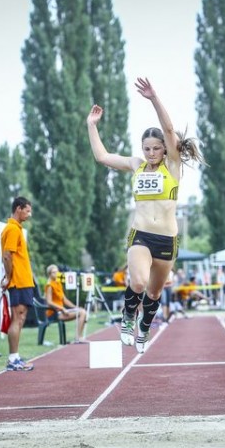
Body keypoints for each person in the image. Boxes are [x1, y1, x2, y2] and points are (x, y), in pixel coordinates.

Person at [86, 77, 204, 354]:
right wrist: (91, 126)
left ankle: (145, 327)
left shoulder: (172, 167)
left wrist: (153, 98)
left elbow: (169, 128)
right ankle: (128, 318)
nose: (151, 153)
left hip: (167, 240)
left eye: (156, 148)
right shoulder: (137, 166)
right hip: (140, 235)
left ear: (165, 148)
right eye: (147, 148)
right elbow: (102, 157)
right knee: (137, 282)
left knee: (153, 293)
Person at [1, 196, 36, 371]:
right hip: (18, 281)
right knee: (17, 318)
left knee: (20, 319)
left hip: (23, 281)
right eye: (27, 210)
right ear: (18, 209)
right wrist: (8, 278)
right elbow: (7, 255)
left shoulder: (16, 229)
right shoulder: (13, 229)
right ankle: (13, 360)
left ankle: (15, 357)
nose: (29, 214)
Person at [45, 265, 87, 343]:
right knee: (82, 313)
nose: (57, 273)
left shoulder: (58, 283)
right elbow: (49, 302)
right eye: (54, 272)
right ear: (49, 274)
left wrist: (76, 307)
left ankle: (79, 337)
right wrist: (62, 308)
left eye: (57, 271)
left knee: (82, 311)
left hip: (61, 311)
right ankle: (78, 337)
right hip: (54, 313)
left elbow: (64, 300)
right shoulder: (49, 285)